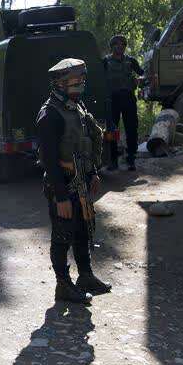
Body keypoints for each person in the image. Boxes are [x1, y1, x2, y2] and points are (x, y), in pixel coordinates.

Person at [36, 58, 112, 305]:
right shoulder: (50, 114)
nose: (80, 85)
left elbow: (85, 143)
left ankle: (85, 276)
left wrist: (93, 173)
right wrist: (60, 197)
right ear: (59, 83)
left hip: (82, 183)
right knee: (62, 236)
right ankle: (63, 285)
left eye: (82, 80)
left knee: (82, 230)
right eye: (75, 81)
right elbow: (48, 160)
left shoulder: (77, 107)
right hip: (63, 185)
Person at [103, 35, 144, 171]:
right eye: (117, 44)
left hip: (128, 98)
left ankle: (131, 158)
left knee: (131, 129)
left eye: (122, 45)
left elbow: (142, 73)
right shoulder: (105, 62)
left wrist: (141, 80)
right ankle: (113, 160)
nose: (120, 47)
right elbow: (98, 78)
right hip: (112, 100)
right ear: (112, 47)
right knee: (111, 130)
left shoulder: (131, 61)